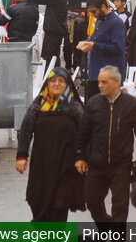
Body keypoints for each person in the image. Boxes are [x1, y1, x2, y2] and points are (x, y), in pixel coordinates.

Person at [75, 66, 136, 240]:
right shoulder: (93, 104)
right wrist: (80, 156)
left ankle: (117, 241)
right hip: (96, 164)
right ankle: (105, 228)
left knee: (120, 207)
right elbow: (83, 133)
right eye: (99, 81)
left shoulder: (131, 104)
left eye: (104, 82)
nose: (100, 85)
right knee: (92, 200)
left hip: (121, 165)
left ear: (116, 82)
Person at [15, 67, 85, 221]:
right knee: (36, 200)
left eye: (61, 81)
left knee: (60, 204)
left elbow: (85, 133)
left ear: (67, 84)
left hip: (66, 164)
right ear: (47, 83)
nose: (57, 84)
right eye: (53, 80)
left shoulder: (74, 107)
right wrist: (22, 155)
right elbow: (26, 130)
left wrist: (81, 157)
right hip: (41, 164)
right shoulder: (38, 105)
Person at [78, 0, 128, 99]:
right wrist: (86, 42)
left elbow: (118, 48)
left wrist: (94, 45)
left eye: (94, 11)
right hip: (95, 73)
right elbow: (95, 39)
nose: (92, 15)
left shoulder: (116, 23)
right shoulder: (100, 21)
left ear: (103, 7)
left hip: (108, 77)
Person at [33, 0, 68, 66]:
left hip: (52, 32)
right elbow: (50, 1)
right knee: (55, 58)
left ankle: (47, 79)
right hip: (58, 31)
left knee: (47, 59)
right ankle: (55, 77)